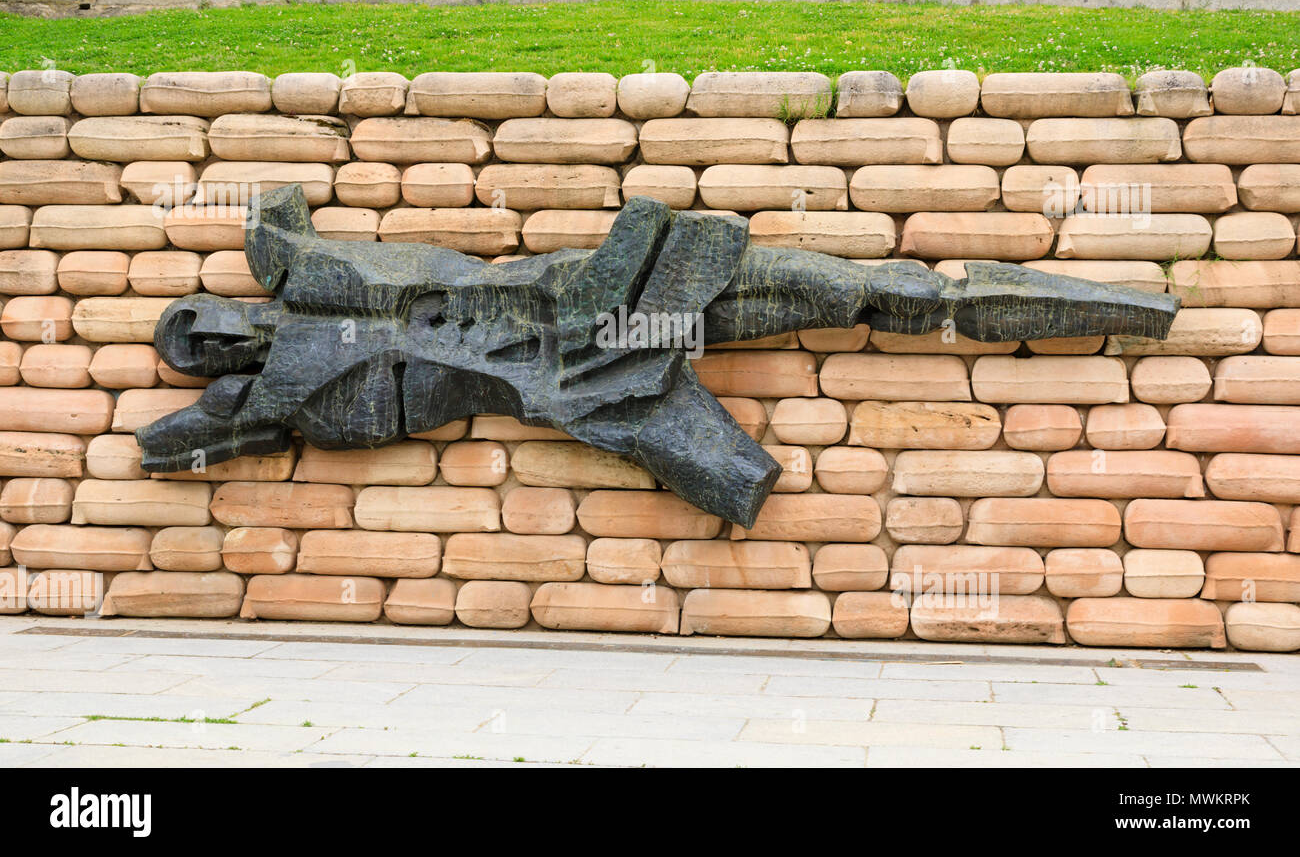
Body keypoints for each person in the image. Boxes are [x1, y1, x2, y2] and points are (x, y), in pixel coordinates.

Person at [138, 186, 1178, 527]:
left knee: (863, 291)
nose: (209, 335)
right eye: (196, 346)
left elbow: (277, 225)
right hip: (586, 371)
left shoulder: (308, 279)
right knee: (719, 434)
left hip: (584, 294)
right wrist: (220, 408)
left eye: (201, 316)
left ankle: (1134, 306)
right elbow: (167, 443)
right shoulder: (280, 395)